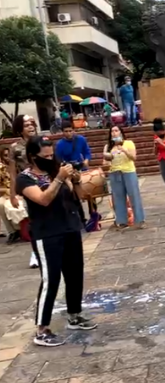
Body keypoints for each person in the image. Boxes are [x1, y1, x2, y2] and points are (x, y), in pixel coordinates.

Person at [16, 136, 97, 346]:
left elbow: (79, 194)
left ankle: (74, 314)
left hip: (69, 228)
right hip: (47, 234)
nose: (50, 158)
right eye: (45, 155)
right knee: (51, 280)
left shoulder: (56, 170)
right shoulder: (25, 179)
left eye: (51, 154)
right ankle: (42, 329)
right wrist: (60, 178)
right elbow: (43, 200)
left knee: (74, 274)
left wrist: (77, 180)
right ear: (33, 156)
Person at [10, 115, 40, 268]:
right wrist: (12, 194)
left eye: (32, 124)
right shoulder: (16, 148)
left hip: (45, 183)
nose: (30, 127)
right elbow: (13, 172)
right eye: (26, 125)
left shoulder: (41, 142)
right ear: (20, 128)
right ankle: (35, 253)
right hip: (28, 186)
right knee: (33, 221)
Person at [103, 125, 145, 230]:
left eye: (116, 130)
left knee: (134, 195)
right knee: (118, 198)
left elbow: (133, 157)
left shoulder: (128, 143)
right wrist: (109, 157)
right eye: (112, 131)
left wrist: (124, 150)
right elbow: (105, 163)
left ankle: (139, 220)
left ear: (121, 132)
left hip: (128, 171)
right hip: (115, 173)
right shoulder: (108, 146)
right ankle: (122, 221)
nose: (114, 133)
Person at [0, 146, 23, 243]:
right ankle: (12, 231)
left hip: (21, 191)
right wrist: (7, 192)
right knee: (1, 205)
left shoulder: (18, 165)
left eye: (9, 155)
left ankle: (23, 229)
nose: (8, 158)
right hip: (5, 193)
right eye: (5, 156)